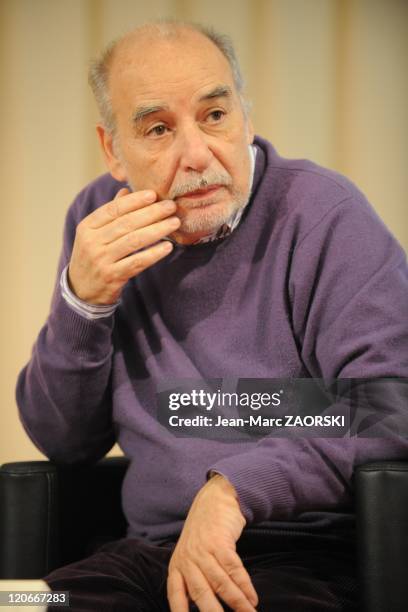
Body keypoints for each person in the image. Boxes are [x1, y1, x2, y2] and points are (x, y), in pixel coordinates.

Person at [16, 20, 407, 612]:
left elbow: (388, 403)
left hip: (294, 555)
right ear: (113, 150)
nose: (196, 154)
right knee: (20, 606)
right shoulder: (101, 221)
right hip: (143, 558)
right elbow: (64, 440)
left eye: (215, 116)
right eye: (157, 129)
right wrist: (83, 302)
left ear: (245, 117)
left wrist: (233, 490)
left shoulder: (323, 216)